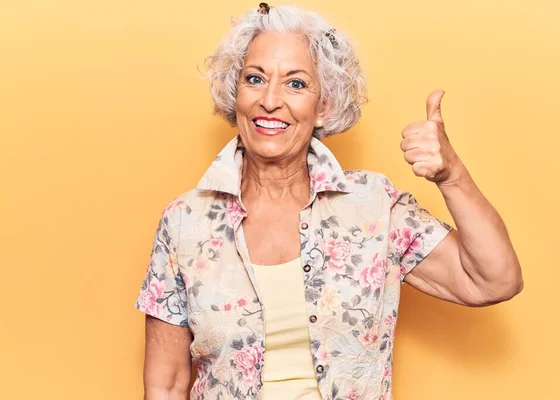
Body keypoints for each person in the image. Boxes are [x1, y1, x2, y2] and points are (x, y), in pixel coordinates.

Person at [134, 3, 523, 399]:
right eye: (254, 78)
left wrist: (452, 176)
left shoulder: (373, 206)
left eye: (296, 84)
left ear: (324, 106)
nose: (270, 100)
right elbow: (166, 384)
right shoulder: (184, 221)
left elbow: (494, 281)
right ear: (236, 95)